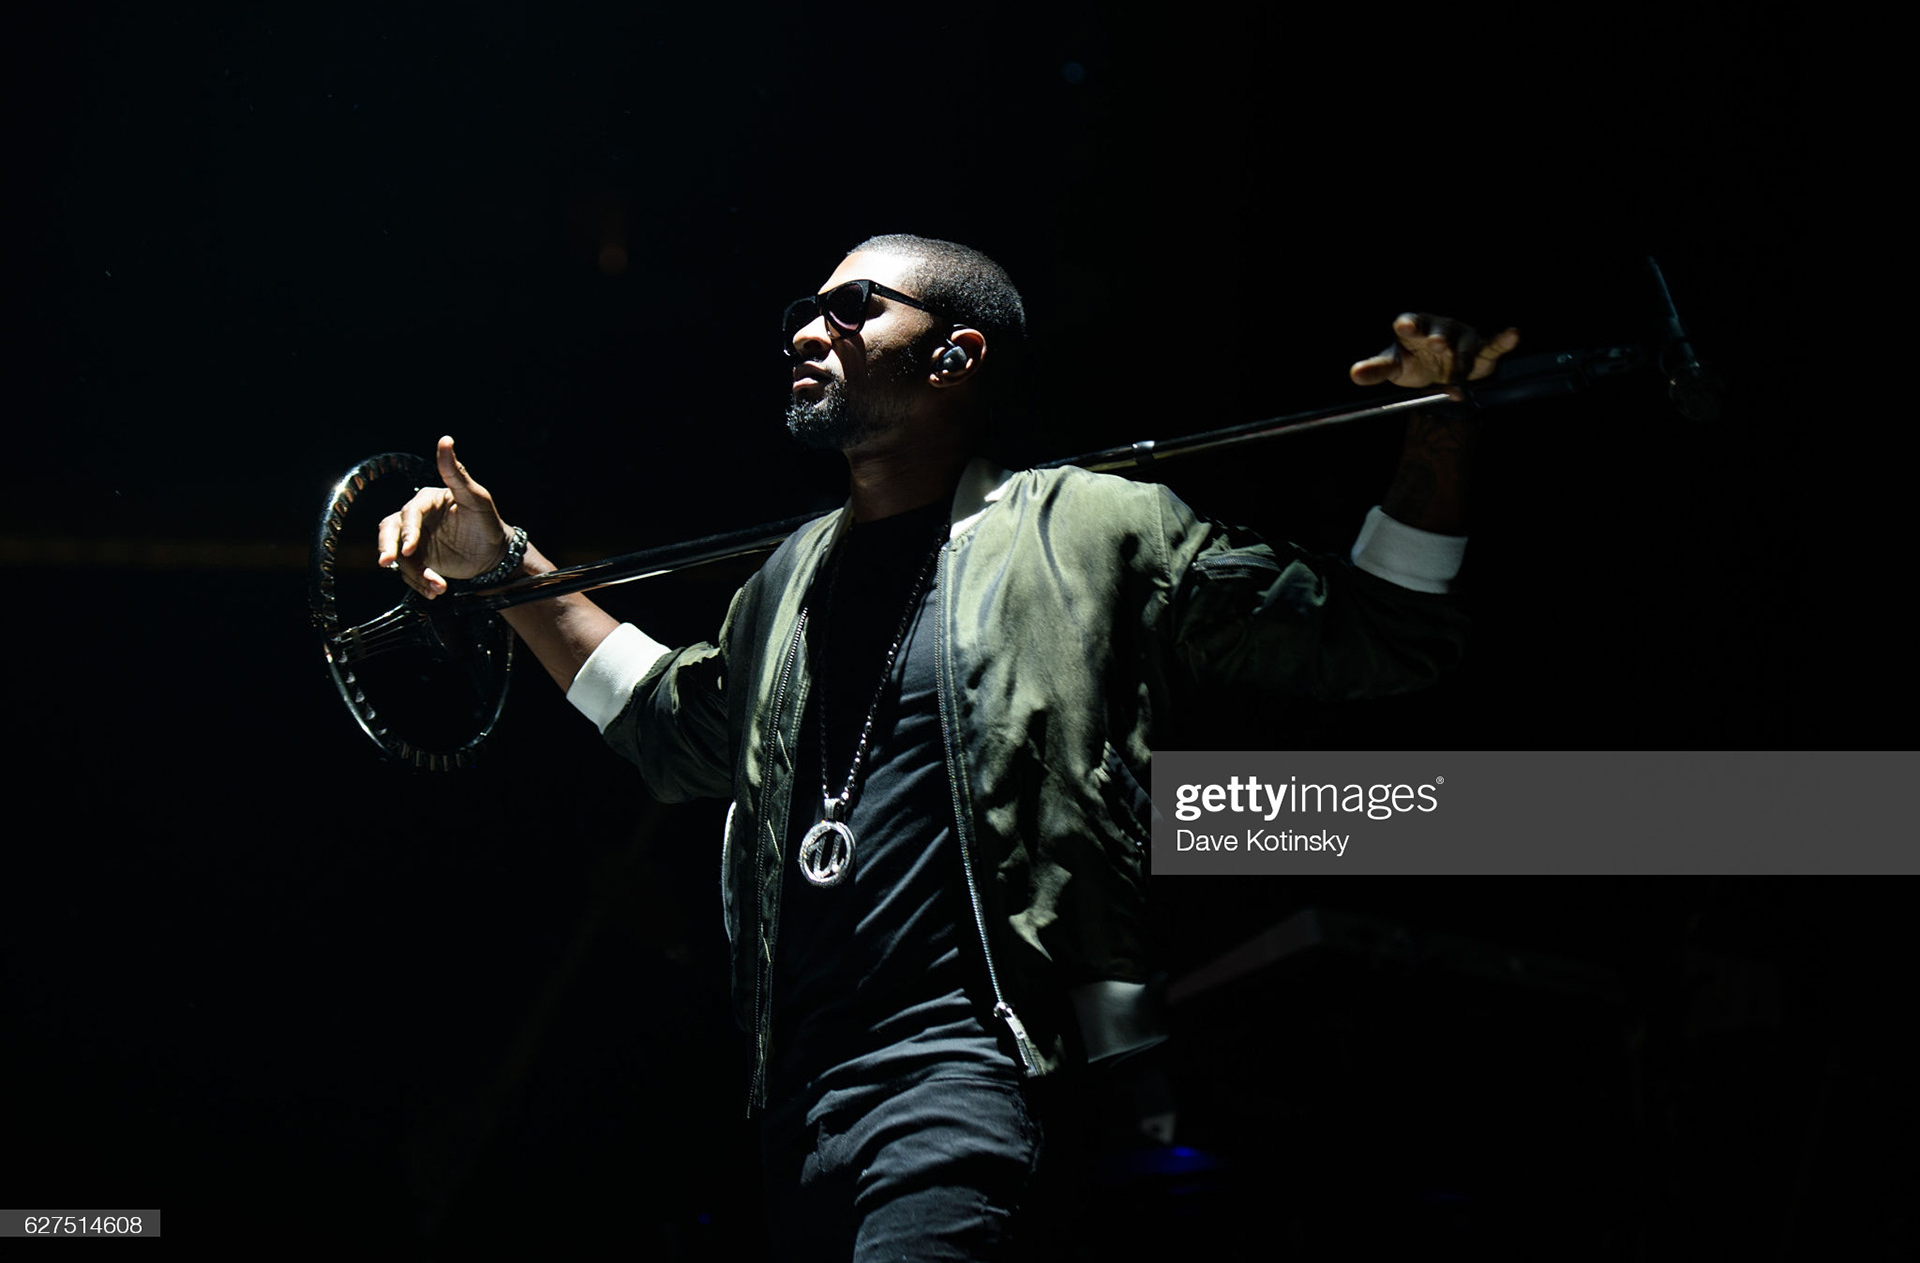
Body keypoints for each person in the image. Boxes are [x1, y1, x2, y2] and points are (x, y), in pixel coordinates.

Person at [377, 234, 1517, 1259]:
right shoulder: (791, 580)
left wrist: (1438, 429)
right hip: (799, 1110)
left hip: (974, 1080)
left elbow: (1377, 637)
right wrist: (503, 567)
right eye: (798, 316)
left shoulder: (1086, 525)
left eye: (855, 308)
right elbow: (668, 728)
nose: (808, 332)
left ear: (956, 356)